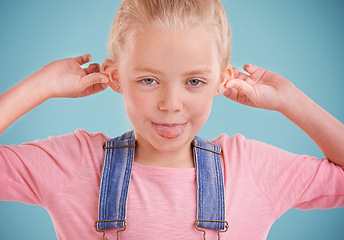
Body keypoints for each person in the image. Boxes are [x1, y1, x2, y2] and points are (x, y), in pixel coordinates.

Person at [1, 0, 343, 239]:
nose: (170, 104)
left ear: (222, 81)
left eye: (194, 81)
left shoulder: (248, 168)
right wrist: (41, 85)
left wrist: (290, 101)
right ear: (115, 76)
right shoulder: (74, 164)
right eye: (149, 80)